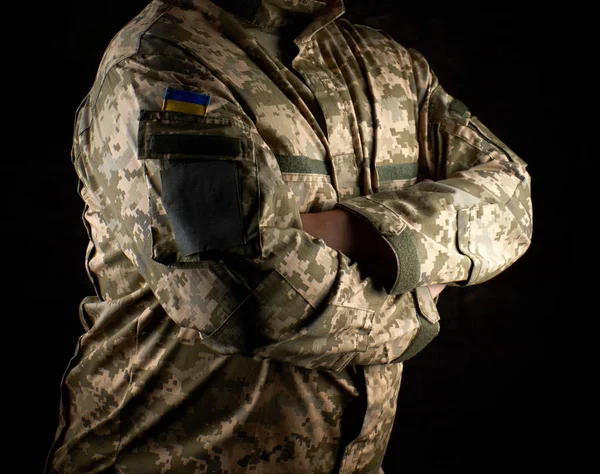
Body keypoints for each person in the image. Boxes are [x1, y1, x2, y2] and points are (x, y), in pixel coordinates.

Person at [45, 0, 533, 472]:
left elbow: (513, 199)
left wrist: (358, 234)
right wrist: (420, 297)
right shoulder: (160, 64)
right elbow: (249, 300)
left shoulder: (392, 65)